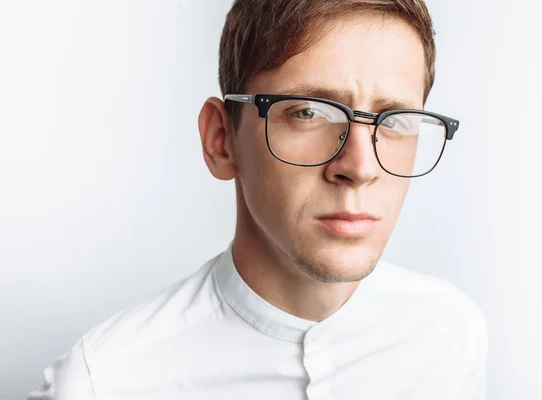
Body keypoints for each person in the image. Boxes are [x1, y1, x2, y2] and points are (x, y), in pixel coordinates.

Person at [28, 0, 487, 399]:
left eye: (394, 120)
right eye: (308, 112)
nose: (360, 167)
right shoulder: (102, 385)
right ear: (222, 140)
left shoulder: (449, 336)